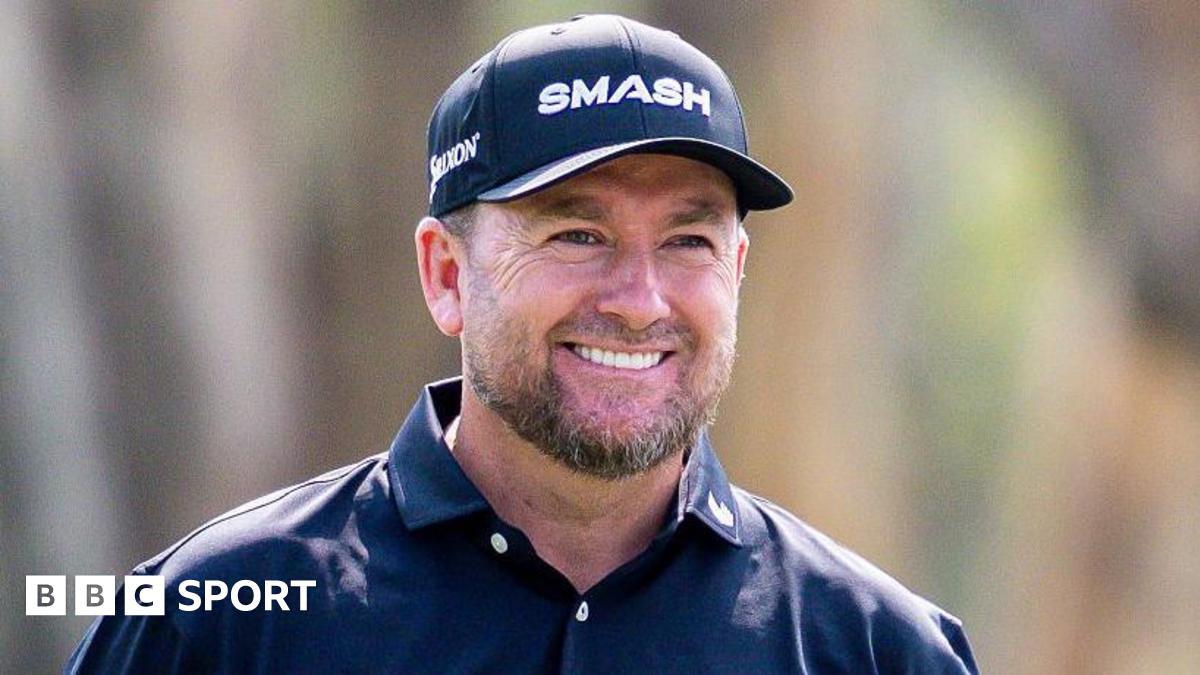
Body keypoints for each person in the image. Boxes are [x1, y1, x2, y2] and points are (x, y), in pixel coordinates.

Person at [68, 14, 978, 673]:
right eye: (576, 234)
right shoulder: (212, 623)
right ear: (446, 274)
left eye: (688, 240)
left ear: (736, 269)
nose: (639, 300)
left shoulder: (877, 649)